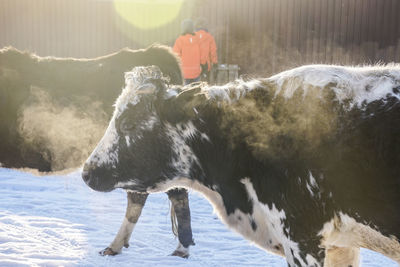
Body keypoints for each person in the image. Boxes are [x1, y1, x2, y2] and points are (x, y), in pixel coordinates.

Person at [173, 19, 201, 85]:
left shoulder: (179, 40)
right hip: (196, 71)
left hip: (184, 72)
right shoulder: (198, 39)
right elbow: (203, 55)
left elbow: (175, 55)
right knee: (197, 92)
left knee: (185, 92)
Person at [195, 18, 218, 83]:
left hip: (194, 64)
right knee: (205, 84)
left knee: (194, 84)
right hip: (205, 64)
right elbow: (213, 51)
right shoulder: (209, 37)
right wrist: (215, 63)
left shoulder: (192, 37)